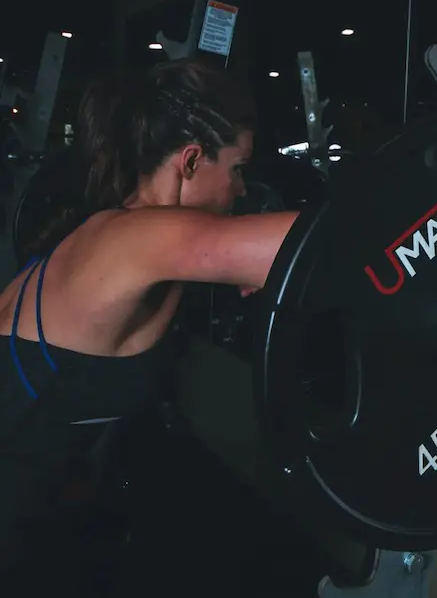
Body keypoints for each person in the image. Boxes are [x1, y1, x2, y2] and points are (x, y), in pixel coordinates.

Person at [0, 59, 300, 582]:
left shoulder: (116, 235)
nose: (242, 190)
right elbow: (319, 243)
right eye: (236, 168)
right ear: (189, 161)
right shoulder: (137, 238)